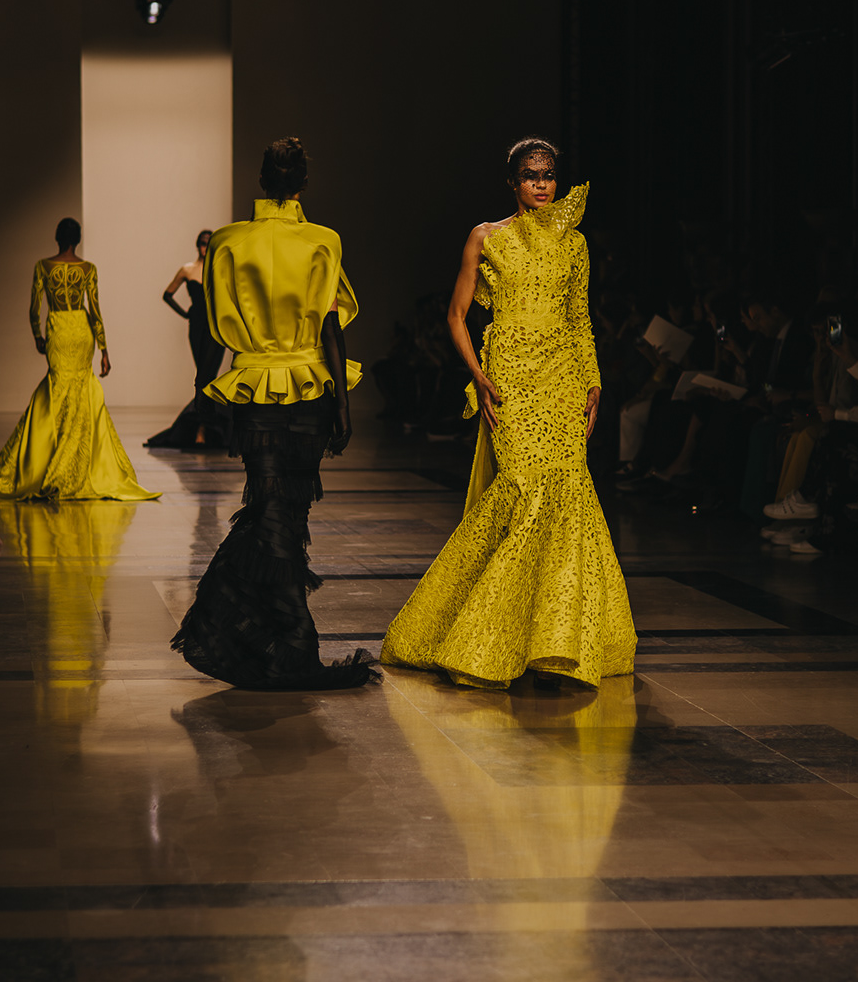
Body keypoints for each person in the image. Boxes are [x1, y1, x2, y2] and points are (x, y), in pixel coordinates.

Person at [380, 139, 638, 689]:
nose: (541, 184)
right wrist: (478, 375)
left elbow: (580, 318)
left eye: (549, 174)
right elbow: (456, 316)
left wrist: (593, 381)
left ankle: (554, 639)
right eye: (530, 175)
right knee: (522, 488)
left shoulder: (575, 242)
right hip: (511, 378)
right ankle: (485, 636)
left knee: (567, 493)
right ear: (512, 182)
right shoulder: (486, 236)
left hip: (564, 380)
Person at [171, 138, 377, 690]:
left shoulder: (228, 241)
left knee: (271, 509)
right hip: (311, 387)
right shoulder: (323, 241)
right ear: (304, 183)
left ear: (262, 180)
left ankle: (257, 634)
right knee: (287, 513)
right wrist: (343, 403)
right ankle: (290, 640)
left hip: (257, 387)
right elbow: (330, 325)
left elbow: (216, 321)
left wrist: (213, 380)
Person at [0, 218, 159, 502]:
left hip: (59, 328)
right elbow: (95, 309)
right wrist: (104, 349)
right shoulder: (88, 269)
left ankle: (50, 461)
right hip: (81, 329)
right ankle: (73, 461)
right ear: (78, 239)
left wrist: (37, 336)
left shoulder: (43, 266)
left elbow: (33, 308)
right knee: (80, 389)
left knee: (57, 388)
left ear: (57, 237)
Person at [145, 228, 228, 450]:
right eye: (202, 243)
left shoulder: (220, 270)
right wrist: (185, 314)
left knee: (209, 375)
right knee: (203, 375)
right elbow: (167, 294)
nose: (204, 247)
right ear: (197, 245)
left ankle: (203, 429)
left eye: (208, 243)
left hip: (216, 327)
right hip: (198, 325)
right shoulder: (187, 270)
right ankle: (204, 428)